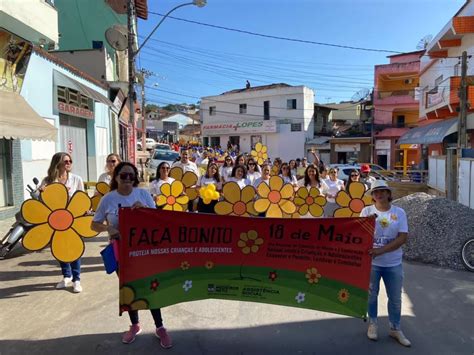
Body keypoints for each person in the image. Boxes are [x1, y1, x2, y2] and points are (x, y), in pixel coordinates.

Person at [91, 162, 172, 348]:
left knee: (151, 287)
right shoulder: (108, 199)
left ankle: (160, 327)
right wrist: (108, 227)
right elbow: (94, 224)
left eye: (130, 176)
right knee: (129, 288)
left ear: (135, 178)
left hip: (144, 251)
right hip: (121, 251)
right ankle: (135, 325)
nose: (127, 179)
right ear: (116, 177)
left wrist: (143, 209)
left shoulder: (143, 194)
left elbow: (157, 220)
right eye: (123, 175)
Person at [360, 180, 411, 347]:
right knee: (371, 296)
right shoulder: (366, 211)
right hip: (372, 264)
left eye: (382, 191)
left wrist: (380, 251)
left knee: (395, 298)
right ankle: (373, 324)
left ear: (389, 194)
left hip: (393, 263)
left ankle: (395, 328)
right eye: (375, 192)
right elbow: (358, 235)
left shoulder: (399, 212)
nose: (379, 194)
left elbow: (402, 238)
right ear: (372, 196)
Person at [42, 152, 84, 293]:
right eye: (66, 161)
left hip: (72, 220)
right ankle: (66, 276)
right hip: (55, 220)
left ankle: (76, 279)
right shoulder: (48, 181)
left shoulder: (76, 179)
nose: (68, 163)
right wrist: (43, 192)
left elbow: (82, 199)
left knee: (74, 248)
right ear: (58, 163)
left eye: (70, 161)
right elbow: (41, 201)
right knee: (59, 248)